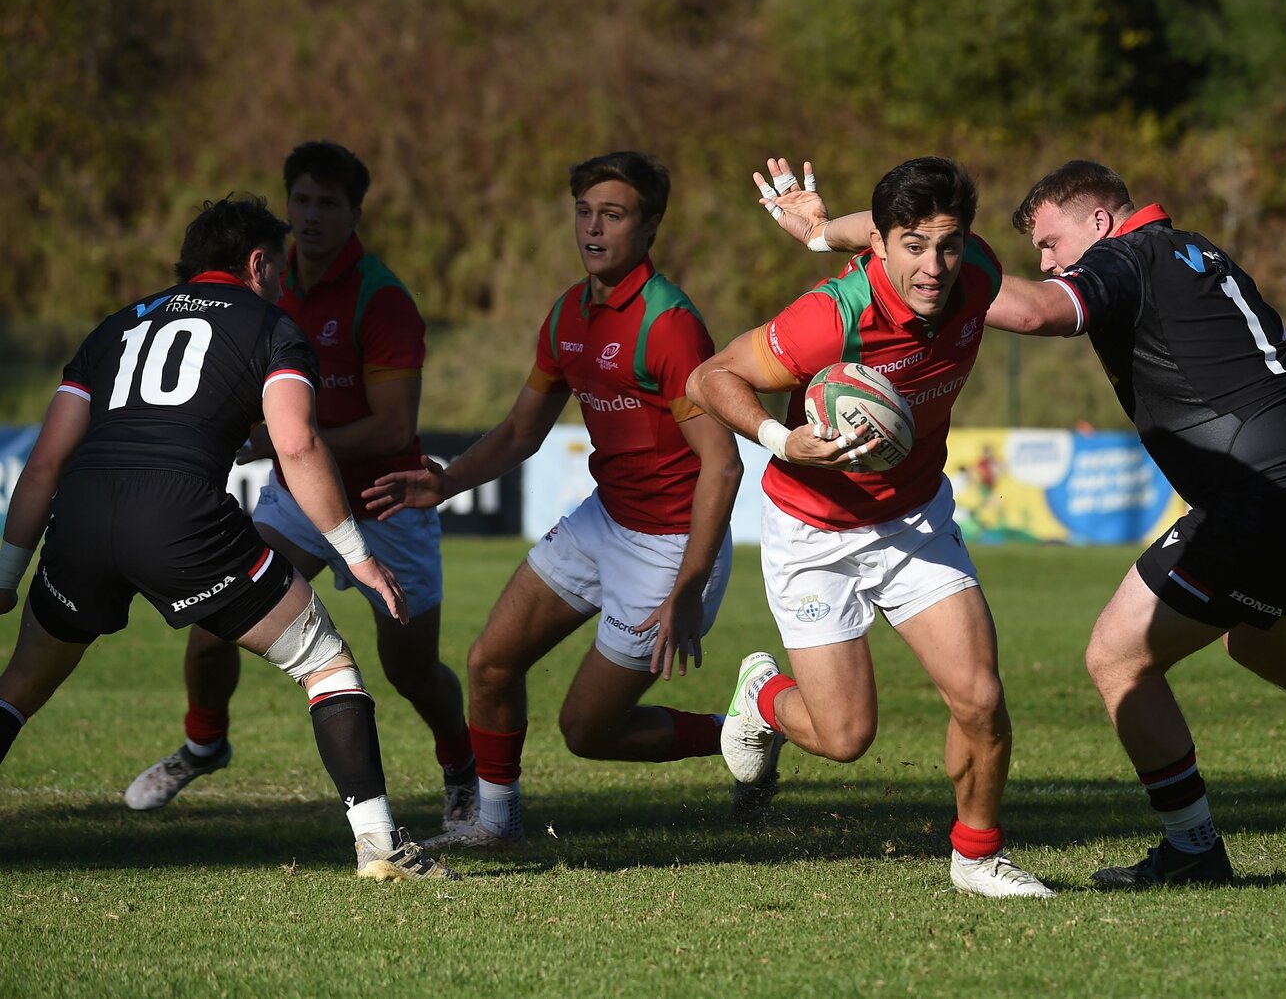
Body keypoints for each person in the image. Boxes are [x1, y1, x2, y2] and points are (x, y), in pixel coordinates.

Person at [765, 157, 1286, 887]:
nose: (1046, 261)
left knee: (1116, 657)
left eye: (1050, 242)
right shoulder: (1203, 254)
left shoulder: (1124, 259)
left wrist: (940, 284)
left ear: (1098, 222)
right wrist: (825, 234)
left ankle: (1192, 848)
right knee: (1268, 648)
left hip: (1258, 501)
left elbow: (1038, 310)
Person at [0, 196, 456, 881]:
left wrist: (7, 574)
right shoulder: (273, 325)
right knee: (327, 665)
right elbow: (296, 447)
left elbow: (44, 464)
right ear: (256, 261)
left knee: (18, 689)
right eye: (278, 266)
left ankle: (208, 746)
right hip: (180, 518)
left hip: (85, 515)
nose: (282, 279)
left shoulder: (116, 326)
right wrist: (358, 557)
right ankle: (380, 848)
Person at [685, 157, 1054, 899]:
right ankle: (761, 696)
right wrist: (784, 441)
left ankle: (976, 859)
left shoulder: (973, 271)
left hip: (914, 519)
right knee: (845, 737)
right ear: (882, 248)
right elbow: (708, 378)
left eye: (947, 244)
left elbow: (891, 231)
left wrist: (821, 231)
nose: (934, 266)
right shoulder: (830, 318)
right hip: (813, 533)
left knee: (980, 697)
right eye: (913, 246)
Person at [365, 151, 750, 847]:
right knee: (490, 663)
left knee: (587, 731)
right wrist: (446, 482)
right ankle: (495, 822)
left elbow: (721, 467)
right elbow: (520, 430)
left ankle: (740, 734)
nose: (593, 228)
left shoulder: (669, 326)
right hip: (604, 522)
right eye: (584, 212)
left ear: (650, 225)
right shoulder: (570, 311)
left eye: (614, 213)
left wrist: (688, 588)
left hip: (669, 547)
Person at [124, 142, 474, 831]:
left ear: (354, 213)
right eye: (301, 200)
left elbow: (392, 426)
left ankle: (461, 769)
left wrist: (278, 442)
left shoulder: (383, 299)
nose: (310, 217)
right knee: (212, 622)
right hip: (295, 496)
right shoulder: (266, 289)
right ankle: (203, 745)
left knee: (409, 669)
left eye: (328, 203)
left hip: (385, 502)